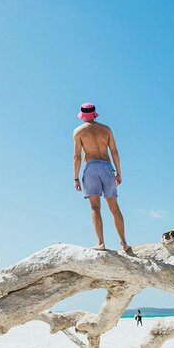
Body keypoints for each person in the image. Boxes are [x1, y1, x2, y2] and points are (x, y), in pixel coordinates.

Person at [73, 103, 130, 253]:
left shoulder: (78, 132)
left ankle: (100, 243)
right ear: (95, 114)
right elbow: (115, 152)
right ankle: (124, 243)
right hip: (106, 167)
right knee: (114, 208)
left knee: (95, 207)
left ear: (83, 115)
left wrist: (76, 178)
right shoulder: (106, 129)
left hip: (91, 167)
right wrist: (119, 172)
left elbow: (77, 157)